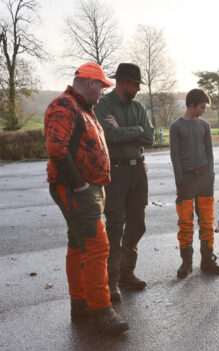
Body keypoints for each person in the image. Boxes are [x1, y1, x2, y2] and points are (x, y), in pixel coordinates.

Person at [44, 62, 128, 334]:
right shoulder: (65, 106)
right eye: (102, 87)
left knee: (79, 244)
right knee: (97, 246)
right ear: (92, 84)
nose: (103, 92)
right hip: (76, 189)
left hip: (87, 188)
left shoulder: (82, 108)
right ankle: (102, 312)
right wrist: (79, 185)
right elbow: (57, 148)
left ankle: (80, 305)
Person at [94, 63, 154, 301]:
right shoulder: (103, 105)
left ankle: (127, 272)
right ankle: (112, 280)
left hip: (138, 169)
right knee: (115, 224)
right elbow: (107, 135)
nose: (138, 88)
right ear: (122, 83)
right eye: (135, 84)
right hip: (115, 171)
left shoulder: (139, 107)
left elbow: (149, 137)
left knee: (137, 223)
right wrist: (135, 130)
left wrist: (124, 130)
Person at [169, 89, 219, 278]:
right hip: (186, 180)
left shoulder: (204, 126)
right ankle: (186, 262)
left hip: (204, 180)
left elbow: (209, 153)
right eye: (201, 107)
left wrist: (210, 174)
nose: (203, 111)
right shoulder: (176, 127)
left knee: (207, 222)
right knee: (185, 223)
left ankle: (207, 260)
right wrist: (180, 180)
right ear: (191, 105)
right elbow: (174, 157)